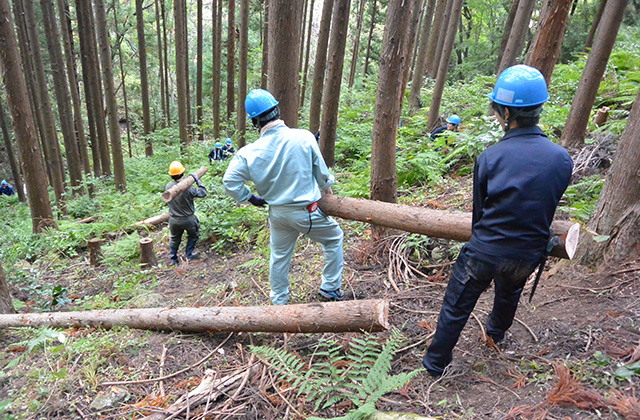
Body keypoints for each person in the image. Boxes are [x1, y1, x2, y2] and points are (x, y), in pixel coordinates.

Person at [422, 65, 573, 377]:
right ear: (538, 109)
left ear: (506, 111)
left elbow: (479, 214)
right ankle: (496, 334)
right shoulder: (561, 158)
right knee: (509, 293)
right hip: (528, 253)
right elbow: (548, 204)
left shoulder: (490, 157)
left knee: (457, 305)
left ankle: (435, 363)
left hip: (486, 250)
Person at [223, 89, 345, 305]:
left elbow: (229, 182)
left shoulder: (248, 152)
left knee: (279, 257)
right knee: (334, 238)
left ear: (254, 123)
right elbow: (323, 175)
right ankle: (330, 288)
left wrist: (250, 198)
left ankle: (279, 301)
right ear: (277, 111)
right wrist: (327, 189)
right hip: (306, 211)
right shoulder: (304, 137)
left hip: (277, 214)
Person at [166, 161, 207, 264]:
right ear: (183, 173)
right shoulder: (189, 189)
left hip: (173, 220)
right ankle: (189, 254)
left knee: (174, 239)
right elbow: (203, 193)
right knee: (193, 235)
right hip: (188, 219)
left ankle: (173, 258)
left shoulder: (168, 187)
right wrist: (198, 181)